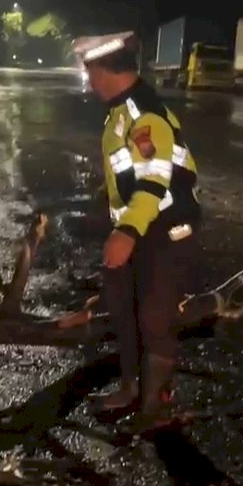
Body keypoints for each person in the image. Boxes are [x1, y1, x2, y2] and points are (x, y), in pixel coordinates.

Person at [73, 32, 200, 425]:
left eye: (90, 70)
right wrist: (107, 205)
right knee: (122, 309)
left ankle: (157, 406)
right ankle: (131, 388)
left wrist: (125, 233)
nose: (89, 80)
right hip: (138, 224)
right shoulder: (120, 112)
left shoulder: (146, 115)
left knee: (155, 318)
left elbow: (153, 181)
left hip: (164, 230)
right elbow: (127, 174)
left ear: (103, 68)